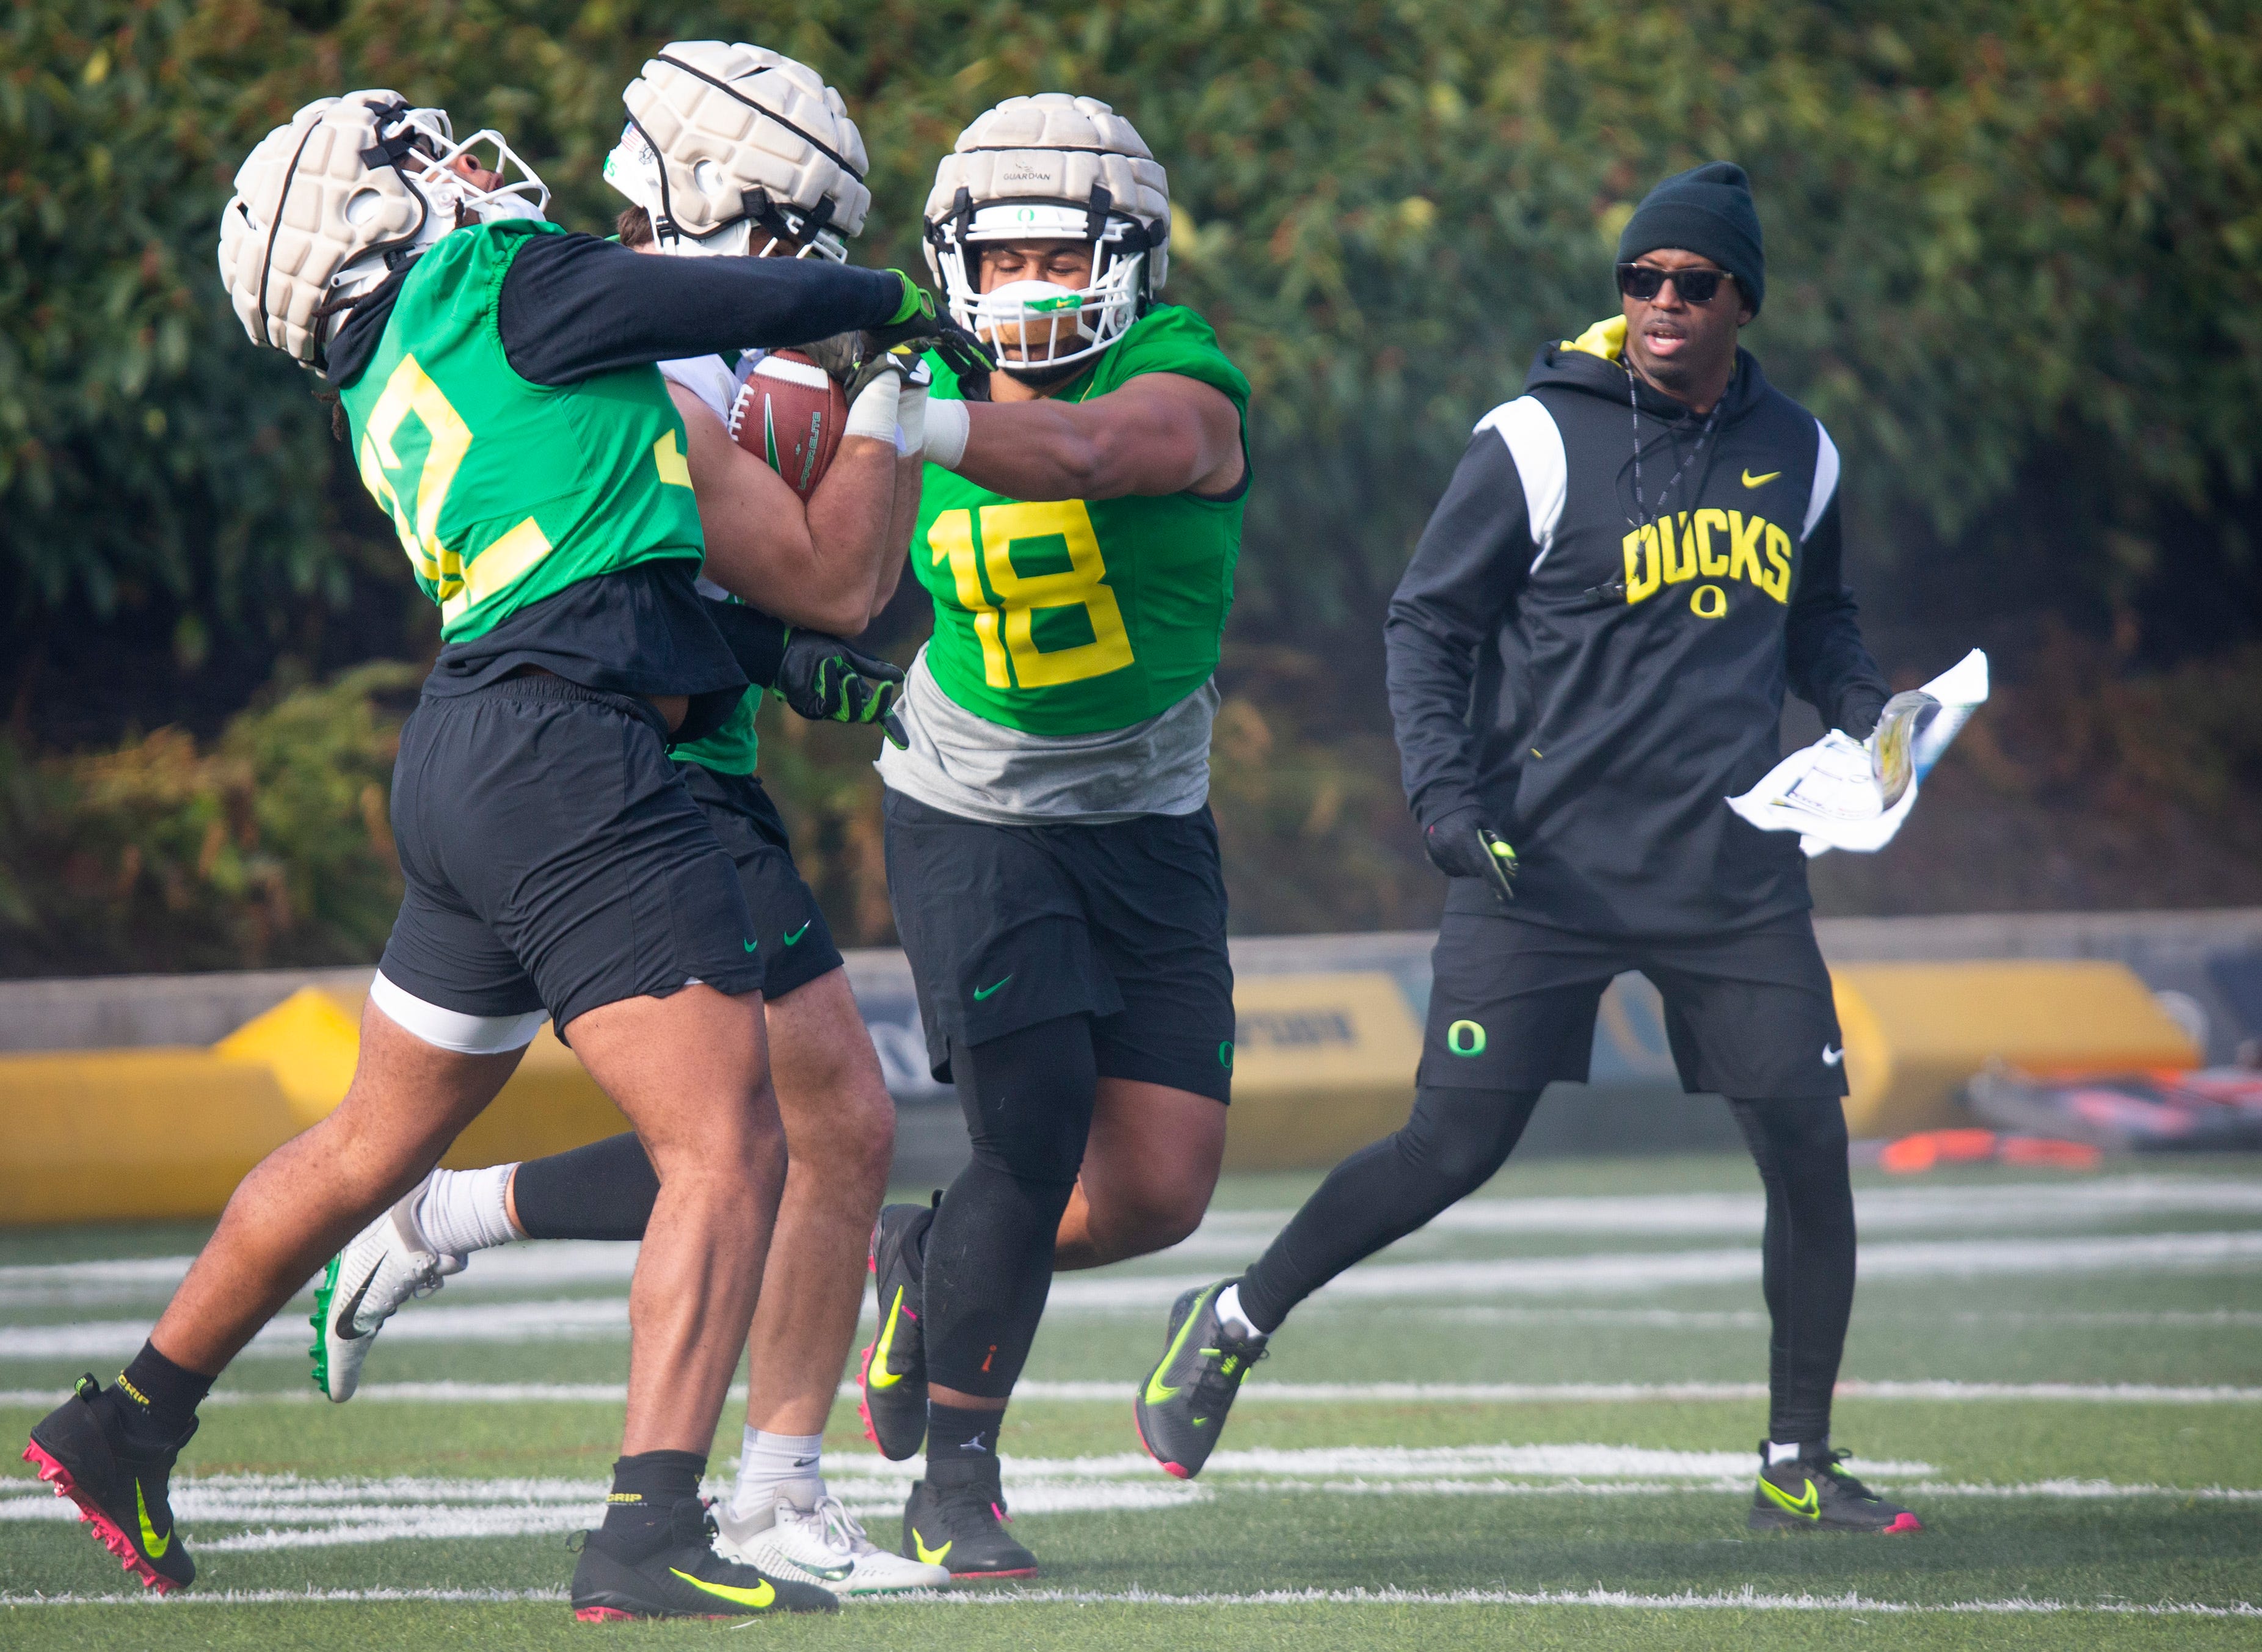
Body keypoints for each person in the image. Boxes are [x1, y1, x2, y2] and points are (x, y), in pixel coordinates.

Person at [20, 90, 945, 1618]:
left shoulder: (398, 374)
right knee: (731, 1147)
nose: (462, 172)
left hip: (478, 747)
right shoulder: (488, 283)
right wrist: (880, 302)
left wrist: (766, 654)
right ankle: (647, 1534)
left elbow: (642, 560)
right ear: (374, 213)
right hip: (572, 753)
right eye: (419, 159)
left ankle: (126, 1419)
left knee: (368, 1147)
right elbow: (722, 295)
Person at [1134, 162, 1924, 1538]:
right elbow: (1425, 627)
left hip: (1731, 875)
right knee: (1450, 1149)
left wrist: (1877, 713)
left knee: (1806, 1146)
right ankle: (1235, 1318)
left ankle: (1797, 1458)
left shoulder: (1803, 452)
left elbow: (1819, 629)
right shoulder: (1534, 436)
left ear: (1745, 302)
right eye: (1641, 281)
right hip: (1539, 867)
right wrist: (1443, 800)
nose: (1662, 304)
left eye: (1693, 284)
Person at [304, 42, 947, 1598]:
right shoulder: (637, 346)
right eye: (793, 227)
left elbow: (823, 612)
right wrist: (890, 410)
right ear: (717, 192)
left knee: (829, 1123)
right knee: (758, 1133)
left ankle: (757, 1477)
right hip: (623, 771)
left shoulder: (670, 328)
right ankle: (705, 1500)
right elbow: (830, 581)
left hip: (674, 749)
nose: (808, 263)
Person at [858, 92, 1252, 1580]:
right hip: (970, 807)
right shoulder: (903, 368)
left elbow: (1090, 456)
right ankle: (957, 1478)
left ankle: (921, 1257)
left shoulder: (1183, 378)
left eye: (1059, 254)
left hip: (1146, 813)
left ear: (1134, 257)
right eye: (1002, 257)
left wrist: (916, 414)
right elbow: (824, 552)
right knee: (1026, 1138)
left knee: (1154, 1192)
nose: (1029, 286)